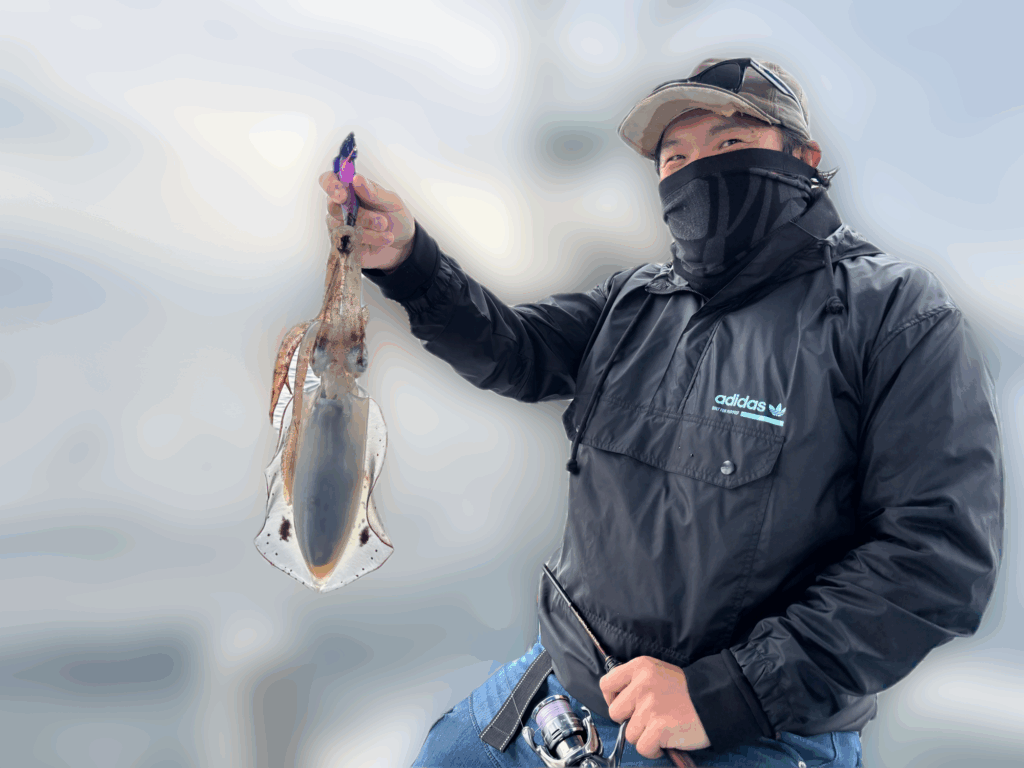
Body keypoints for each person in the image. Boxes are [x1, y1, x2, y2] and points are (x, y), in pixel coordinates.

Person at [318, 57, 1003, 768]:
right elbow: (514, 350)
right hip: (562, 684)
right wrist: (408, 262)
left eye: (730, 144)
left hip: (744, 726)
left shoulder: (893, 313)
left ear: (803, 159)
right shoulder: (635, 302)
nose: (699, 169)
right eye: (676, 157)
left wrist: (726, 694)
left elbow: (937, 555)